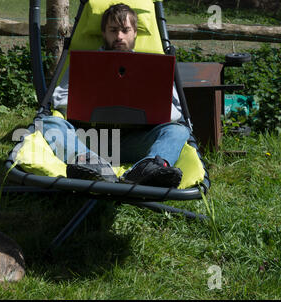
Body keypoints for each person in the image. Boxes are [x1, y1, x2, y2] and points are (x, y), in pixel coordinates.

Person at [39, 3, 190, 188]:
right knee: (49, 123)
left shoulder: (153, 67)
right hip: (91, 139)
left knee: (179, 130)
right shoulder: (85, 63)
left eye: (125, 30)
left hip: (134, 142)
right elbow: (60, 101)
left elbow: (176, 113)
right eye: (113, 30)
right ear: (104, 33)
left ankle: (148, 168)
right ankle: (93, 166)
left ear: (135, 33)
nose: (119, 36)